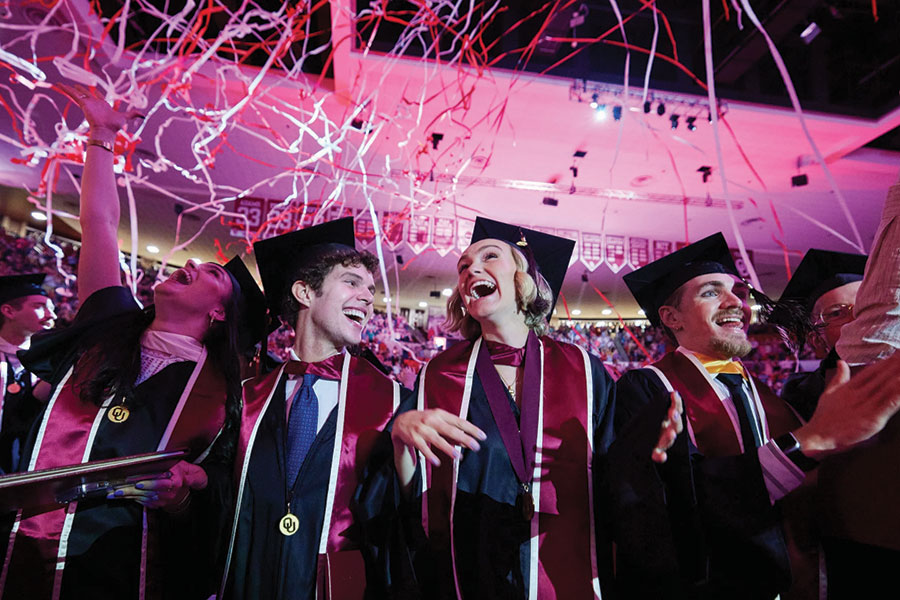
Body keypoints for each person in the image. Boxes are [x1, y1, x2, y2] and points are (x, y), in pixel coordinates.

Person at [0, 83, 266, 600]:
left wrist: (181, 494)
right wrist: (101, 135)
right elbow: (99, 222)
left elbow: (215, 496)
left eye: (211, 272)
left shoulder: (223, 395)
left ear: (218, 313)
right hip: (18, 550)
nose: (188, 262)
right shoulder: (109, 322)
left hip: (127, 570)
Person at [608, 232, 900, 599]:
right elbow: (664, 506)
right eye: (711, 292)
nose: (737, 302)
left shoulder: (776, 399)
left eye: (742, 295)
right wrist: (804, 445)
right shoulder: (648, 389)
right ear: (671, 317)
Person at [362, 217, 621, 599]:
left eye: (490, 256)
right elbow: (414, 498)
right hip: (472, 573)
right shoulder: (440, 374)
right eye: (463, 266)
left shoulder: (582, 369)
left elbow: (617, 478)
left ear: (524, 278)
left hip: (567, 571)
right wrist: (400, 438)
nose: (471, 270)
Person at [219, 217, 406, 600]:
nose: (369, 298)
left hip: (339, 589)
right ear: (305, 293)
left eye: (371, 289)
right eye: (352, 282)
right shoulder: (247, 396)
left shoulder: (393, 402)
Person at [773, 249, 866, 419]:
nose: (857, 318)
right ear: (816, 340)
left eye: (865, 306)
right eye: (837, 313)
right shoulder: (798, 402)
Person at [0, 273, 55, 473]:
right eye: (40, 306)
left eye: (52, 308)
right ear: (8, 311)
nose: (52, 316)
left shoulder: (52, 365)